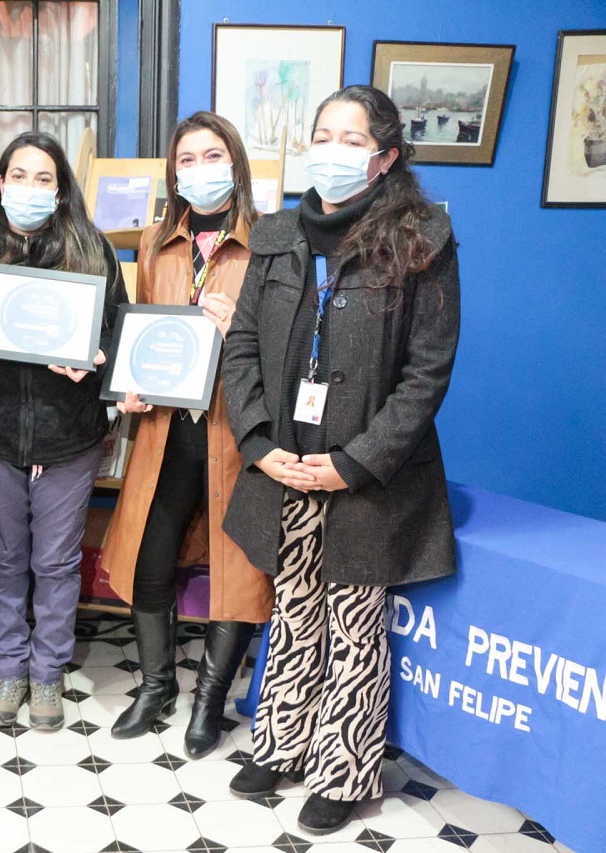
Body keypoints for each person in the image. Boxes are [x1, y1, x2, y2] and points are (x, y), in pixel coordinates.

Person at [220, 85, 460, 834]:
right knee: (293, 606)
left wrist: (355, 462)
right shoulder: (277, 233)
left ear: (385, 156)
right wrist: (258, 441)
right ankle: (283, 739)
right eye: (323, 132)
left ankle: (345, 768)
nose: (331, 147)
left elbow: (428, 372)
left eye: (350, 138)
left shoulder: (423, 238)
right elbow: (243, 346)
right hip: (286, 462)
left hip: (365, 473)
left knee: (354, 622)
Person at [101, 112, 273, 748]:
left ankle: (208, 702)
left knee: (237, 572)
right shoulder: (154, 243)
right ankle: (156, 685)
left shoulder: (272, 241)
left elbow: (288, 353)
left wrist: (242, 333)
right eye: (187, 160)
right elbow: (144, 331)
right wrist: (132, 380)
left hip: (237, 433)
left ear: (235, 163)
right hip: (168, 431)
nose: (200, 170)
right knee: (149, 560)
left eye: (212, 156)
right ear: (173, 173)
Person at [0, 131, 128, 732]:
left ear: (61, 191)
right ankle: (9, 667)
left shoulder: (92, 252)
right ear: (0, 183)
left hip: (69, 438)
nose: (30, 189)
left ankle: (48, 672)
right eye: (19, 176)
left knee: (55, 564)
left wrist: (99, 356)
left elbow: (117, 333)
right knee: (4, 561)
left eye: (44, 179)